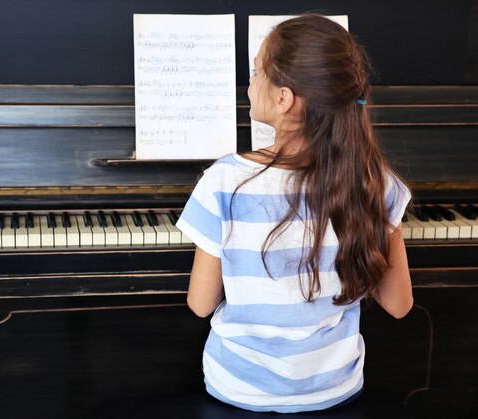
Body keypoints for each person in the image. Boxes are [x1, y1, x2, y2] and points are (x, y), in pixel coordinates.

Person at [175, 13, 413, 413]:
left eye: (255, 73)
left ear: (284, 98)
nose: (249, 84)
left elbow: (200, 304)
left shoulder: (225, 180)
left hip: (240, 388)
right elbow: (399, 305)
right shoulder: (375, 181)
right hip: (334, 389)